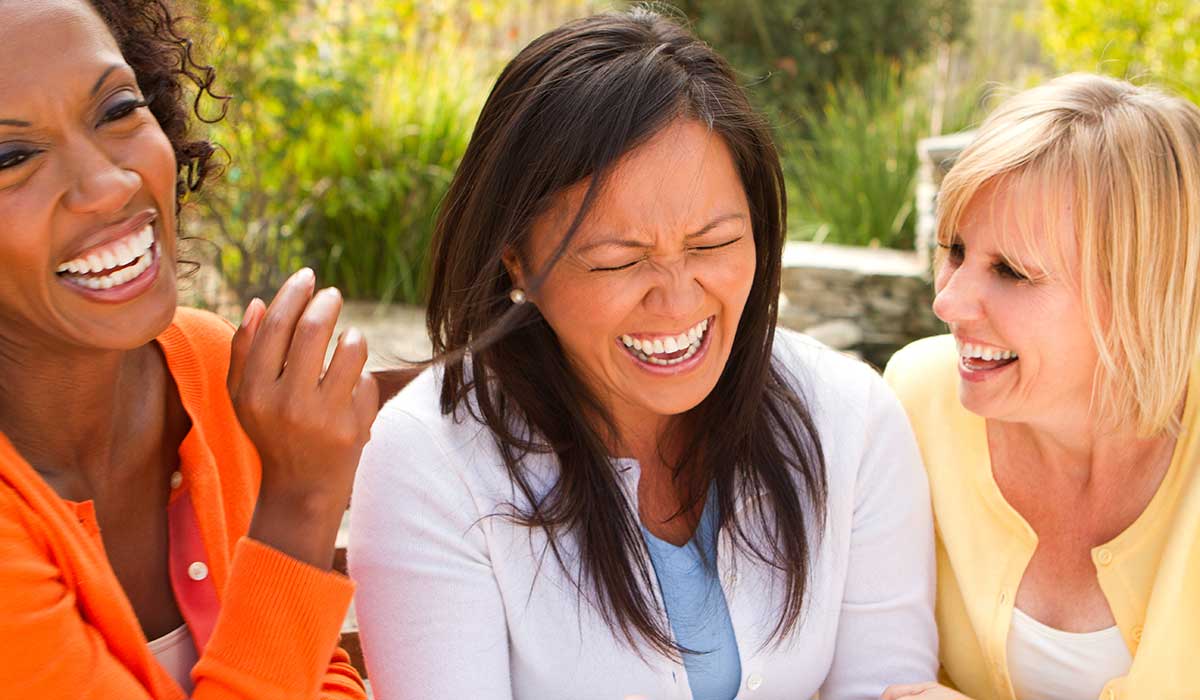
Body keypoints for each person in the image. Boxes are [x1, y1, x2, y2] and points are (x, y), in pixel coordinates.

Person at [349, 8, 936, 700]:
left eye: (713, 244)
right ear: (517, 261)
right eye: (618, 260)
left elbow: (889, 689)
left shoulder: (850, 417)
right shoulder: (433, 459)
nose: (678, 300)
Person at [0, 1, 378, 697]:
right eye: (11, 158)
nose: (110, 185)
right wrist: (300, 502)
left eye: (115, 110)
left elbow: (314, 668)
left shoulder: (205, 363)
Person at [882, 73, 1200, 700]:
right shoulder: (919, 400)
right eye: (954, 250)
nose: (948, 302)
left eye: (1012, 271)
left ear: (1141, 293)